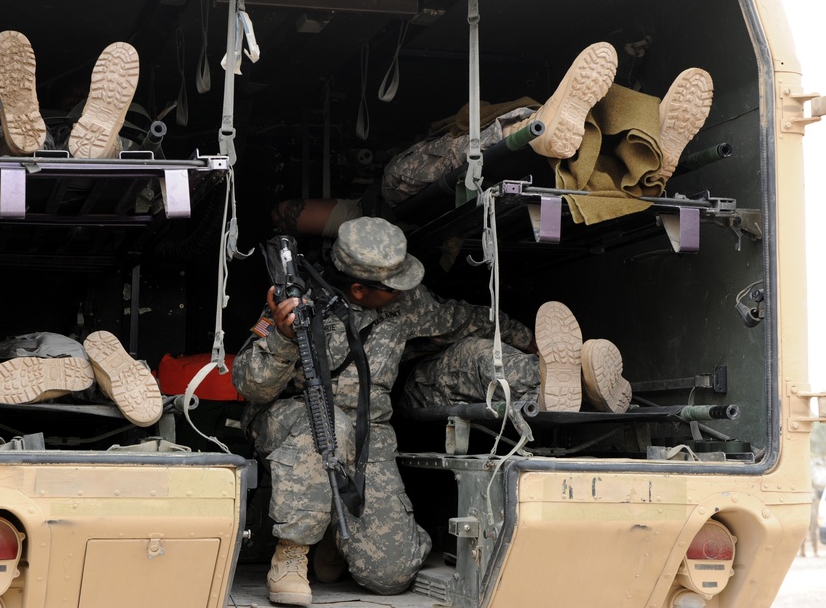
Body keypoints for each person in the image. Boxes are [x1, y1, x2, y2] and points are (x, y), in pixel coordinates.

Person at [232, 216, 630, 605]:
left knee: (391, 576)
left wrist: (529, 343)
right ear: (358, 289)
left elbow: (463, 319)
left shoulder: (404, 305)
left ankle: (559, 377)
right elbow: (250, 386)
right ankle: (290, 556)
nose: (407, 291)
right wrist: (283, 339)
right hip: (292, 422)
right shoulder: (295, 309)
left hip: (368, 432)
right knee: (329, 425)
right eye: (395, 286)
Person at [273, 41, 715, 235]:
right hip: (398, 212)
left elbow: (290, 214)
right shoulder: (358, 227)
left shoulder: (349, 230)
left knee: (573, 136)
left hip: (392, 217)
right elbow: (292, 214)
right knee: (400, 173)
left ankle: (647, 141)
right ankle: (641, 143)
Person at [0, 330, 163, 427]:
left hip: (25, 361)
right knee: (86, 380)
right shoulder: (14, 340)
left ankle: (102, 383)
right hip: (71, 352)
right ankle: (120, 378)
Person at [0, 30, 141, 158]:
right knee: (32, 139)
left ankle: (101, 147)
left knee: (89, 146)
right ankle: (21, 140)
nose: (78, 99)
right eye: (73, 93)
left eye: (85, 98)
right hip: (42, 150)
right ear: (57, 95)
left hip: (83, 162)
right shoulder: (42, 122)